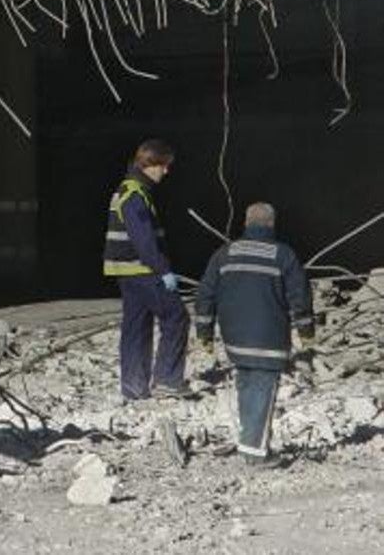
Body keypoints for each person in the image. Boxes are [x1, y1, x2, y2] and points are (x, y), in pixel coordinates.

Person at [194, 202, 313, 465]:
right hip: (268, 340)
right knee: (262, 391)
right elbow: (299, 298)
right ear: (272, 224)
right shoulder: (284, 255)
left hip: (235, 340)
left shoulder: (224, 254)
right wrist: (307, 333)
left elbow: (205, 294)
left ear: (246, 224)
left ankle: (249, 442)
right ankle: (256, 453)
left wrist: (204, 332)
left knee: (247, 387)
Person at [102, 138, 191, 400]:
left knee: (136, 327)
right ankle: (167, 380)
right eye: (163, 165)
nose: (166, 171)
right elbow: (143, 239)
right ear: (150, 164)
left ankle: (133, 387)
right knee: (176, 317)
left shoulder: (127, 189)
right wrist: (163, 269)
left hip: (127, 271)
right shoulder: (135, 194)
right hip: (142, 270)